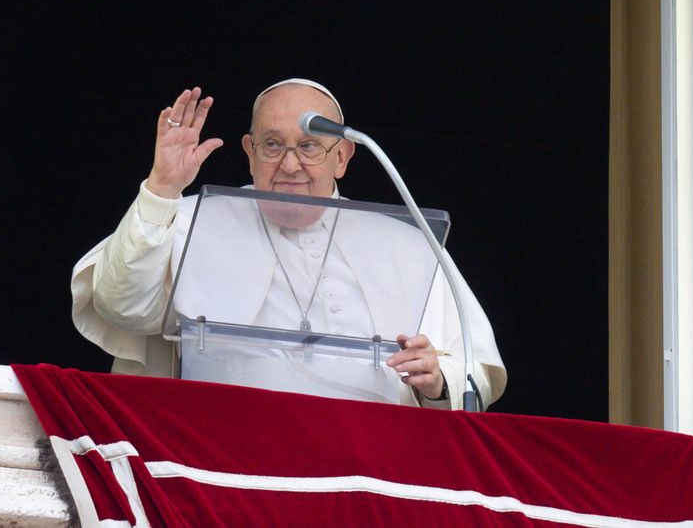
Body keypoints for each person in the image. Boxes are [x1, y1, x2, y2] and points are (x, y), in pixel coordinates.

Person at [72, 78, 506, 409]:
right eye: (273, 145)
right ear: (249, 150)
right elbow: (121, 307)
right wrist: (163, 186)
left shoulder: (410, 246)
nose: (290, 164)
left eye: (310, 146)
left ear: (342, 157)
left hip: (369, 467)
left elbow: (473, 370)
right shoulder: (186, 219)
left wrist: (437, 381)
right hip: (221, 456)